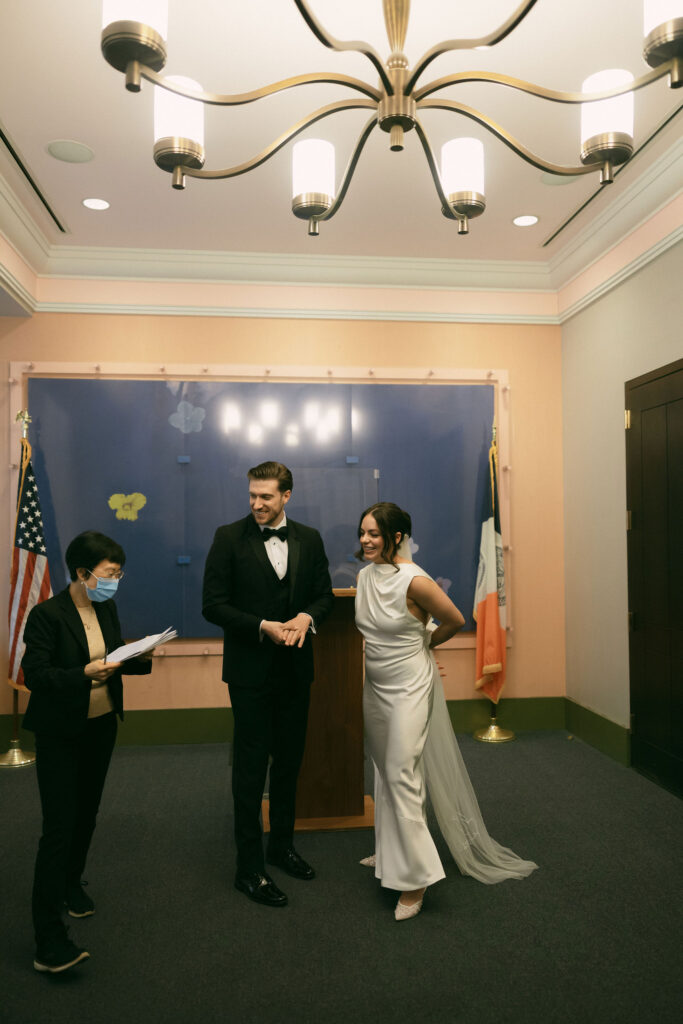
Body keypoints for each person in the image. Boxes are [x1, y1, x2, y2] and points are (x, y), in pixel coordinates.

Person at [355, 502, 537, 921]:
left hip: (409, 686)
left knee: (402, 770)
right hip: (376, 687)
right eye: (362, 532)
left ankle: (415, 878)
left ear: (396, 537)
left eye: (374, 534)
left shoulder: (414, 581)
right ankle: (390, 852)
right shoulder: (365, 577)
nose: (365, 540)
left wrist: (424, 645)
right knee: (386, 770)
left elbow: (454, 620)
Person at [202, 461, 334, 908]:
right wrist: (261, 625)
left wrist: (306, 616)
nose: (257, 504)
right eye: (253, 496)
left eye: (267, 497)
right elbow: (212, 605)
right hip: (249, 673)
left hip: (296, 672)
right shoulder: (227, 537)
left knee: (290, 763)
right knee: (250, 767)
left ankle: (281, 846)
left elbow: (323, 595)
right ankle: (249, 867)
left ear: (287, 496)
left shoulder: (310, 539)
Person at [22, 530, 153, 973]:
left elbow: (112, 654)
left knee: (87, 813)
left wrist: (140, 653)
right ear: (82, 573)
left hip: (100, 728)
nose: (116, 580)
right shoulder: (46, 615)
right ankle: (47, 941)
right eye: (110, 573)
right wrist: (82, 673)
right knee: (58, 826)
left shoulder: (105, 605)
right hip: (60, 732)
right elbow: (37, 676)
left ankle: (70, 883)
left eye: (118, 573)